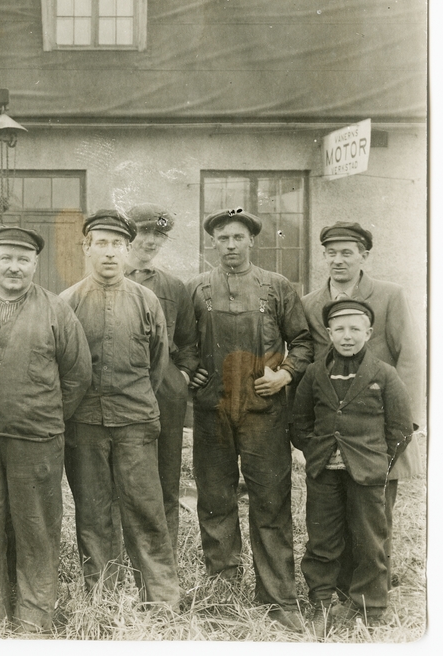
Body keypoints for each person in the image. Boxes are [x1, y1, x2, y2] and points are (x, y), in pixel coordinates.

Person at [0, 226, 92, 632]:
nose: (14, 267)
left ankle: (34, 620)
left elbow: (77, 375)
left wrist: (42, 414)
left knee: (36, 530)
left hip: (36, 441)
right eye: (6, 258)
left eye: (23, 260)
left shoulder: (57, 311)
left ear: (35, 264)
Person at [187, 209, 313, 632]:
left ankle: (279, 599)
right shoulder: (196, 289)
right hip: (213, 411)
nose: (230, 245)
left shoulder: (277, 287)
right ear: (213, 242)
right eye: (223, 238)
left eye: (238, 237)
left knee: (271, 503)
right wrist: (192, 368)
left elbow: (304, 342)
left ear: (251, 241)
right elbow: (181, 342)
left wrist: (285, 374)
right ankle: (221, 594)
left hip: (265, 412)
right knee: (215, 500)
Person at [60, 210, 179, 609]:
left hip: (135, 424)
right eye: (101, 244)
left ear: (127, 250)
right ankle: (103, 601)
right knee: (94, 515)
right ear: (87, 248)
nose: (109, 253)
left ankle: (160, 601)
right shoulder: (68, 302)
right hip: (85, 425)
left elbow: (157, 363)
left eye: (117, 244)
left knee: (146, 512)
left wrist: (135, 401)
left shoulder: (146, 300)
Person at [300, 222, 425, 590]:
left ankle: (372, 587)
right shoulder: (309, 303)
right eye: (331, 253)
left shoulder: (389, 295)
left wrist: (404, 427)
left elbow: (411, 358)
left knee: (374, 516)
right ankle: (338, 587)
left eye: (347, 253)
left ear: (363, 256)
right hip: (332, 435)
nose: (338, 260)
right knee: (332, 518)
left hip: (377, 432)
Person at [291, 299, 413, 634]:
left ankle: (368, 607)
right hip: (324, 473)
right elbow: (300, 423)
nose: (347, 336)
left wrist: (377, 460)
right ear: (329, 333)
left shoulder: (384, 374)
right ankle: (322, 602)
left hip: (368, 473)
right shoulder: (315, 373)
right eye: (340, 329)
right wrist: (317, 451)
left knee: (369, 540)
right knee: (322, 539)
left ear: (368, 333)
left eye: (355, 329)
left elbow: (401, 428)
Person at [124, 204, 200, 551]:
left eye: (159, 234)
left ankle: (163, 557)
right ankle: (124, 556)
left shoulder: (173, 286)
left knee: (166, 475)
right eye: (144, 232)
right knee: (121, 476)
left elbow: (189, 343)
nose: (151, 241)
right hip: (120, 389)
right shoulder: (108, 278)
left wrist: (180, 377)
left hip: (164, 394)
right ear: (129, 235)